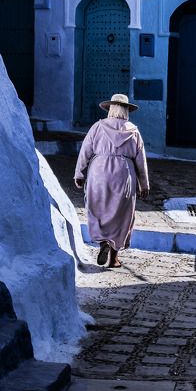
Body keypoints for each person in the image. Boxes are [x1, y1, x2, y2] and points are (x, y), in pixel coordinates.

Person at [73, 94, 150, 268]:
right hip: (124, 173)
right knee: (121, 214)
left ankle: (103, 242)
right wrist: (144, 184)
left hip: (98, 172)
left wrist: (79, 173)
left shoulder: (98, 126)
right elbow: (141, 160)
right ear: (126, 110)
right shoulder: (133, 131)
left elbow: (85, 151)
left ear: (111, 109)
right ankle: (113, 258)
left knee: (97, 208)